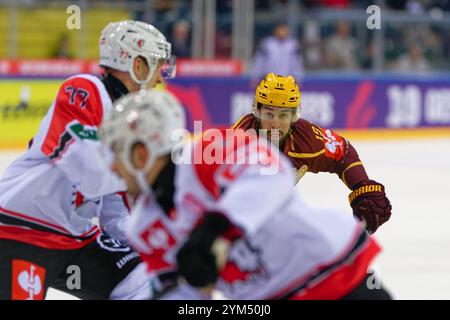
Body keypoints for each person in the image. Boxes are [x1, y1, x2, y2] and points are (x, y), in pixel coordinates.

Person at [99, 89, 392, 300]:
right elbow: (182, 292)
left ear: (141, 152)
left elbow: (271, 174)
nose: (112, 166)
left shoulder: (206, 151)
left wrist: (215, 228)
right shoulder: (143, 226)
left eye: (116, 152)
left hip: (333, 274)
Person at [0, 20, 175, 300]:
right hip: (20, 231)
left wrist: (162, 239)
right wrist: (156, 175)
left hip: (76, 241)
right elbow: (91, 175)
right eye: (156, 65)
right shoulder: (83, 89)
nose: (159, 79)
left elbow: (115, 214)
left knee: (146, 279)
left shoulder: (128, 122)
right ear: (136, 65)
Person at [231, 73, 392, 234]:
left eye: (284, 115)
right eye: (269, 114)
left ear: (294, 116)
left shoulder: (307, 140)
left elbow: (344, 153)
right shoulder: (236, 143)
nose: (275, 124)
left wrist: (362, 186)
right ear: (257, 112)